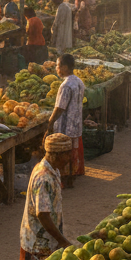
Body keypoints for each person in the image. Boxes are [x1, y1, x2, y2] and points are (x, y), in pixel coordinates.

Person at [18, 133, 73, 260]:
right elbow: (42, 214)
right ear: (56, 155)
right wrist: (63, 241)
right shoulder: (43, 177)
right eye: (67, 154)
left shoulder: (53, 170)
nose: (69, 159)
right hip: (38, 244)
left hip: (48, 241)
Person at [46, 54, 85, 187]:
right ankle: (72, 176)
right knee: (72, 150)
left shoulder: (66, 85)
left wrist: (50, 123)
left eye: (57, 66)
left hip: (66, 125)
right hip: (76, 124)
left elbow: (60, 108)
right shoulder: (79, 81)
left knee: (64, 152)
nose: (56, 69)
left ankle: (65, 178)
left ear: (64, 67)